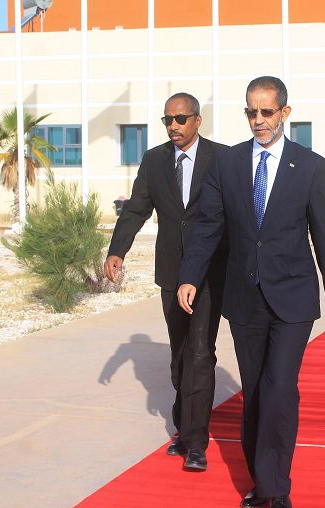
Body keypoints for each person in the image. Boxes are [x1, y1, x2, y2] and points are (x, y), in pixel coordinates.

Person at [177, 76, 325, 508]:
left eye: (266, 112)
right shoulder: (228, 163)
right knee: (254, 392)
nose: (258, 120)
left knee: (279, 390)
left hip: (293, 297)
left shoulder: (309, 166)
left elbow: (322, 235)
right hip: (245, 298)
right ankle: (262, 477)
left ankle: (278, 492)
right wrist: (190, 275)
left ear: (284, 113)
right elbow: (208, 226)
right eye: (251, 112)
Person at [104, 93, 228, 471]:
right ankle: (184, 427)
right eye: (167, 120)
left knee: (200, 353)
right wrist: (117, 251)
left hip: (209, 273)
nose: (173, 126)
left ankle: (196, 443)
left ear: (197, 120)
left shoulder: (223, 158)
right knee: (179, 356)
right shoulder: (155, 160)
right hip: (172, 273)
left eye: (180, 119)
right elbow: (136, 209)